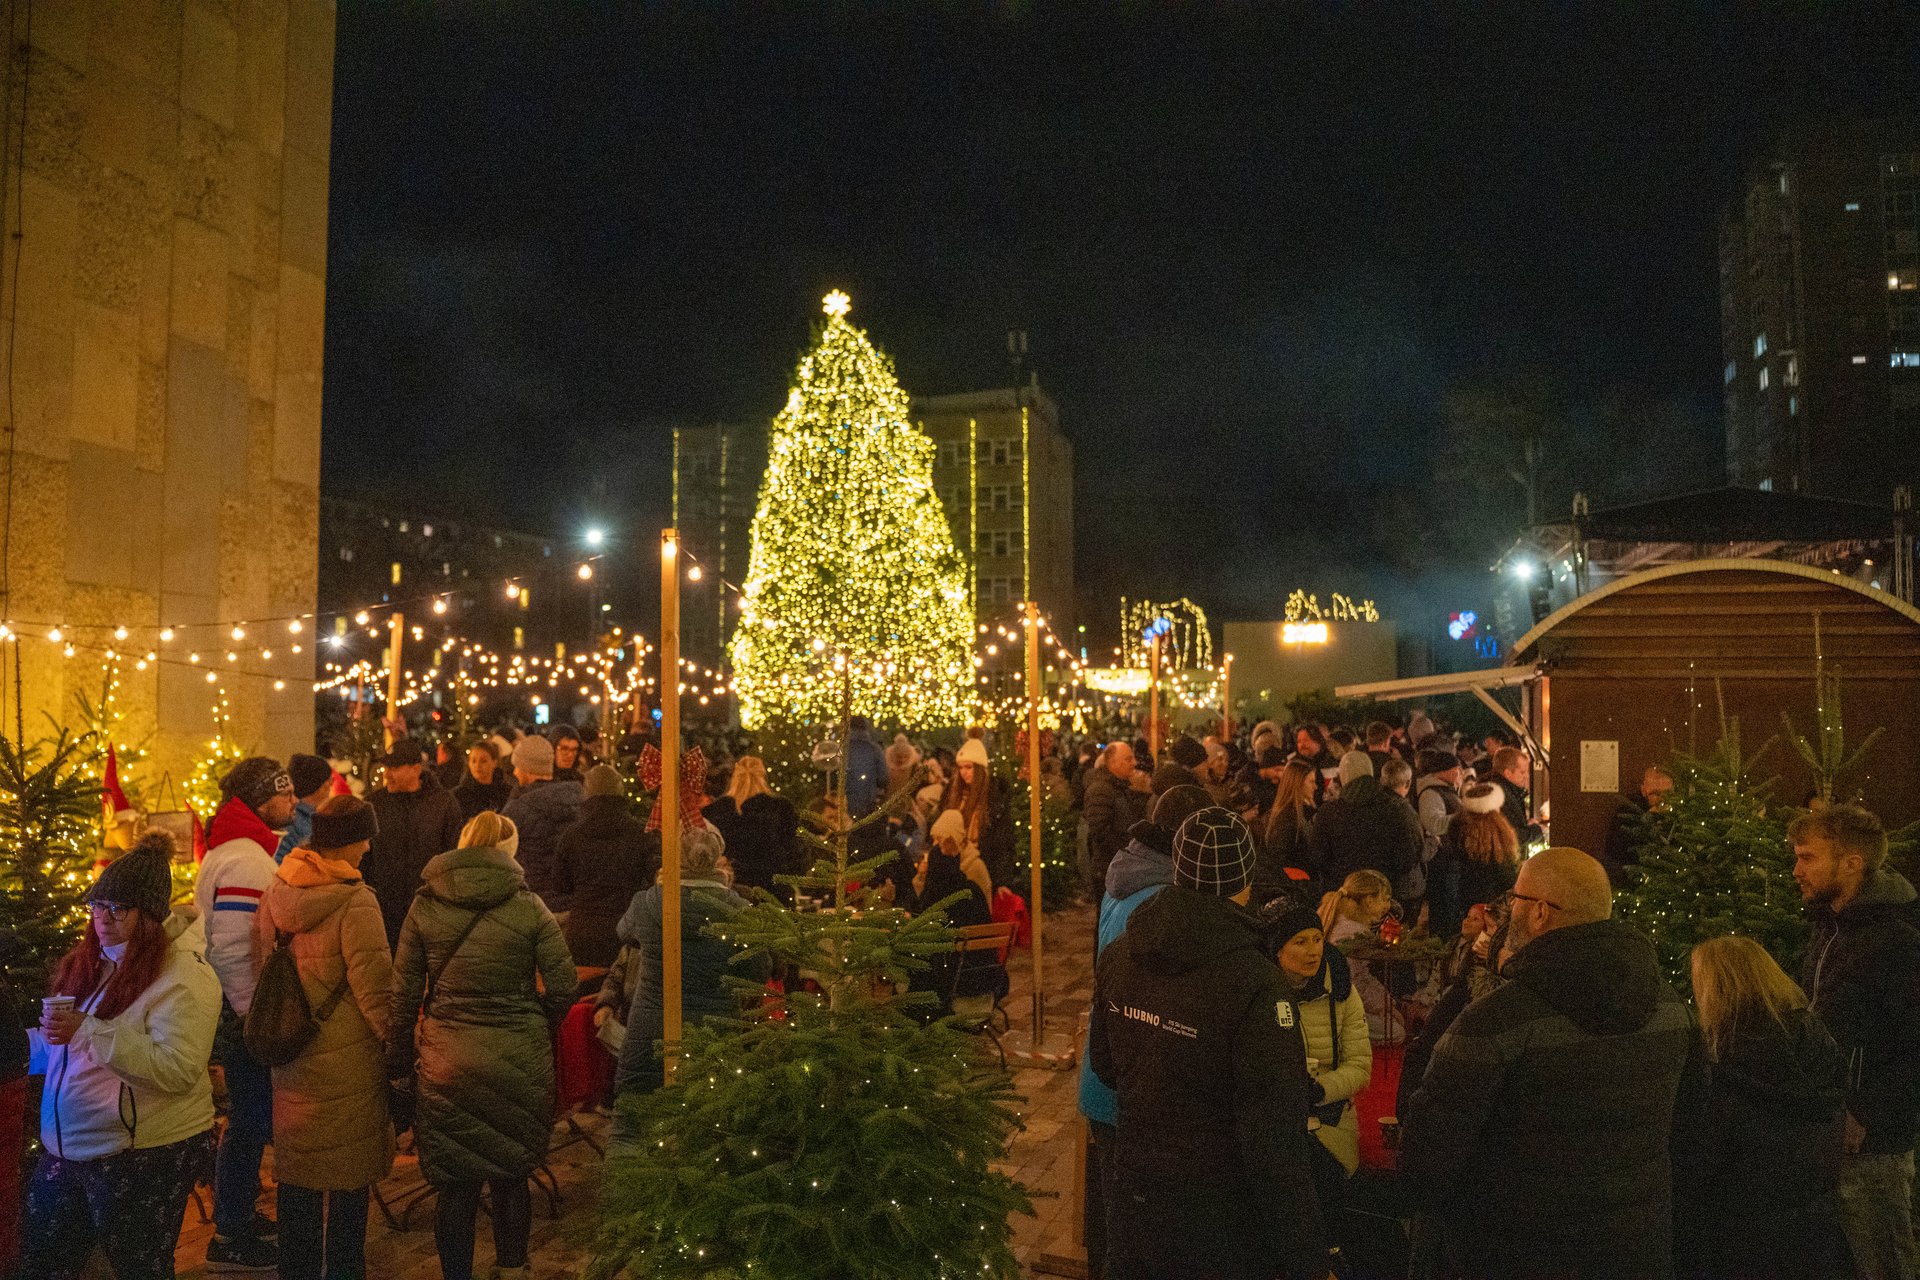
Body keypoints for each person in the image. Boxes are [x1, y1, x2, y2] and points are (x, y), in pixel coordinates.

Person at [1400, 846, 1700, 1279]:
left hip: (1514, 1252)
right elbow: (1689, 1131)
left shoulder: (1496, 1020)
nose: (1508, 911)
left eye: (1515, 899)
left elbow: (1427, 1161)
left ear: (1540, 911)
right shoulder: (1671, 1008)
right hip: (1634, 1247)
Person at [1090, 807, 1327, 1280]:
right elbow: (1275, 1137)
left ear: (1177, 870)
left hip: (1136, 1192)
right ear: (1246, 881)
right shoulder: (1256, 983)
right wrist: (1308, 1258)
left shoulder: (1121, 954)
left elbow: (1105, 1064)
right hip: (1219, 1216)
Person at [388, 811, 576, 1280]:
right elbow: (564, 985)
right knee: (511, 1176)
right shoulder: (529, 906)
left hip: (447, 1057)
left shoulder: (425, 905)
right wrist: (535, 1022)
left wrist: (398, 1061)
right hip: (517, 1056)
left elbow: (403, 994)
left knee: (456, 1185)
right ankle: (512, 1269)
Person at [24, 837, 222, 1279]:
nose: (103, 918)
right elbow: (68, 1049)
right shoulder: (96, 963)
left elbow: (177, 1069)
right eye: (97, 906)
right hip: (69, 1147)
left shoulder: (184, 975)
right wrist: (24, 1048)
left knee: (139, 1268)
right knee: (42, 1262)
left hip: (139, 1154)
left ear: (148, 915)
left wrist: (86, 1029)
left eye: (118, 908)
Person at [1075, 783, 1216, 1276]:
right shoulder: (1158, 898)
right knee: (1132, 1239)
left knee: (1116, 1227)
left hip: (1110, 1077)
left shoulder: (1129, 874)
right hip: (1129, 1083)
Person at [252, 796, 394, 1280]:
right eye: (364, 838)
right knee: (348, 1182)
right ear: (348, 842)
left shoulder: (277, 890)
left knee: (299, 1180)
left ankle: (297, 1270)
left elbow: (262, 968)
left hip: (292, 1053)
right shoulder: (356, 900)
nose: (368, 847)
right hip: (347, 1064)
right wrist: (396, 1045)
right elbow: (376, 993)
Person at [1790, 804, 1920, 1280]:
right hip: (1828, 1123)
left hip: (1873, 1144)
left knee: (1881, 1261)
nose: (1796, 870)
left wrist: (1865, 1113)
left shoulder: (1899, 940)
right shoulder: (1829, 926)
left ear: (1851, 863)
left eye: (1808, 857)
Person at [1677, 935, 1847, 1280]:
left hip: (1739, 1241)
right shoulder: (1813, 1044)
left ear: (1717, 987)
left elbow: (1702, 1161)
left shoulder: (1722, 1063)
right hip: (1815, 1233)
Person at [194, 755, 296, 1272]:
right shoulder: (246, 861)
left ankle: (238, 1217)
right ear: (260, 800)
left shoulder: (236, 851)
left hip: (236, 1009)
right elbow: (235, 949)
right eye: (284, 793)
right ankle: (231, 1233)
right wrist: (253, 1013)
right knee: (252, 1119)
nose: (293, 801)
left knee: (249, 1118)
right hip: (244, 1012)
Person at [613, 825, 759, 1100]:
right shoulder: (739, 909)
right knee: (711, 1107)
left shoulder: (648, 902)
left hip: (652, 1024)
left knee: (638, 1104)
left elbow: (624, 933)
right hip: (715, 1025)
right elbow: (757, 969)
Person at [1268, 907, 1371, 1199]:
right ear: (1278, 950)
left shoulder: (1341, 991)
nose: (1313, 951)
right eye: (1300, 942)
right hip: (1276, 1113)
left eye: (1317, 939)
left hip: (1329, 1115)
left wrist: (1319, 1090)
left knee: (1319, 1170)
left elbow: (1360, 1066)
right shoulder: (1262, 995)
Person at [363, 737, 466, 948]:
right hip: (385, 912)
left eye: (394, 768)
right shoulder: (374, 804)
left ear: (416, 769)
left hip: (429, 911)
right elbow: (364, 858)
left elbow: (453, 856)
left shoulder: (443, 804)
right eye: (386, 767)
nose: (386, 774)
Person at [550, 764, 655, 970]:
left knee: (585, 987)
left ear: (586, 794)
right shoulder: (641, 833)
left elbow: (560, 884)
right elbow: (654, 880)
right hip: (627, 929)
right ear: (621, 792)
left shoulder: (572, 836)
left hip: (582, 930)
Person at [1305, 751, 1423, 891]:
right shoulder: (1398, 807)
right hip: (1384, 892)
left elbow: (1317, 857)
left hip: (1344, 892)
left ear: (1342, 777)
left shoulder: (1328, 812)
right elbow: (1410, 855)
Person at [501, 733, 586, 915]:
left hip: (533, 904)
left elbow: (501, 856)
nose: (515, 772)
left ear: (528, 768)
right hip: (572, 902)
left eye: (518, 767)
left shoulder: (518, 811)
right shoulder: (576, 801)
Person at [1425, 783, 1519, 941]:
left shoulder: (1457, 828)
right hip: (1489, 904)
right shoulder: (1499, 835)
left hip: (1460, 901)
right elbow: (1506, 875)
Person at [702, 754, 798, 898]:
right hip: (774, 888)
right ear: (763, 776)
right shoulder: (781, 808)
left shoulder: (715, 811)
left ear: (734, 776)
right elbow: (794, 851)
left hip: (730, 888)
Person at [941, 737, 1018, 888]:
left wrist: (1001, 881)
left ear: (979, 768)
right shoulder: (953, 795)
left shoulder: (993, 797)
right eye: (961, 768)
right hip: (953, 862)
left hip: (981, 864)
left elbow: (1002, 842)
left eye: (968, 767)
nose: (964, 772)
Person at [1083, 741, 1150, 892]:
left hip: (1121, 865)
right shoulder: (1101, 790)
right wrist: (1126, 853)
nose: (1134, 763)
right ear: (1113, 763)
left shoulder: (1121, 787)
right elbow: (1100, 831)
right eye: (1128, 759)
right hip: (1109, 868)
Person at [1256, 758, 1318, 906]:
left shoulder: (1287, 814)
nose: (1315, 787)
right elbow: (1280, 857)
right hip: (1297, 890)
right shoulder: (1289, 818)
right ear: (1298, 783)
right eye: (1311, 782)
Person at [1603, 765, 1675, 884]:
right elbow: (1617, 849)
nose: (1662, 799)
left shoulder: (1680, 812)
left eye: (1667, 794)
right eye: (1655, 794)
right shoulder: (1627, 811)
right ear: (1643, 790)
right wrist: (1648, 819)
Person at [274, 754, 335, 863]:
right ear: (319, 785)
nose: (331, 784)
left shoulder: (317, 816)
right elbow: (279, 862)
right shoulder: (291, 821)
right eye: (329, 779)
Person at [451, 740, 512, 823]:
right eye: (473, 761)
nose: (477, 765)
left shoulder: (506, 792)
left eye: (483, 761)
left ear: (494, 762)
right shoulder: (459, 795)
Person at [1490, 745, 1539, 845]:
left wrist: (1526, 826)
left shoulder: (1508, 791)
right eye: (1522, 772)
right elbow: (1510, 835)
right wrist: (1536, 830)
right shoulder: (1502, 796)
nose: (1526, 776)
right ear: (1508, 773)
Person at [842, 715, 888, 817]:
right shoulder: (875, 749)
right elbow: (883, 777)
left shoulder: (841, 748)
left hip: (844, 802)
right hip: (868, 801)